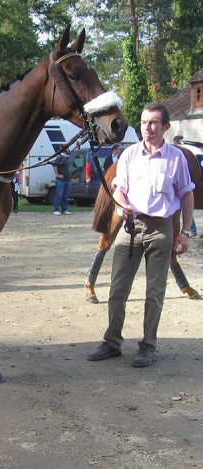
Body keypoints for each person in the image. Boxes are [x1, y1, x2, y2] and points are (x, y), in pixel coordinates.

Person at [88, 102, 194, 368]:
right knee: (117, 290)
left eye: (154, 122)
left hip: (161, 230)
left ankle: (147, 347)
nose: (148, 127)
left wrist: (185, 232)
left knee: (154, 293)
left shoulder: (176, 158)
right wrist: (122, 205)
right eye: (145, 122)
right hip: (130, 229)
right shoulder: (130, 154)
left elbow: (187, 193)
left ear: (165, 127)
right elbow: (119, 188)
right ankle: (112, 342)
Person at [51, 150, 71, 215]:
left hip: (67, 180)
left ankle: (64, 209)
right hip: (60, 180)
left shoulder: (67, 157)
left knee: (65, 195)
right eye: (67, 148)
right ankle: (56, 210)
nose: (68, 149)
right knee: (59, 195)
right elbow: (54, 165)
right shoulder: (60, 157)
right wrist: (57, 175)